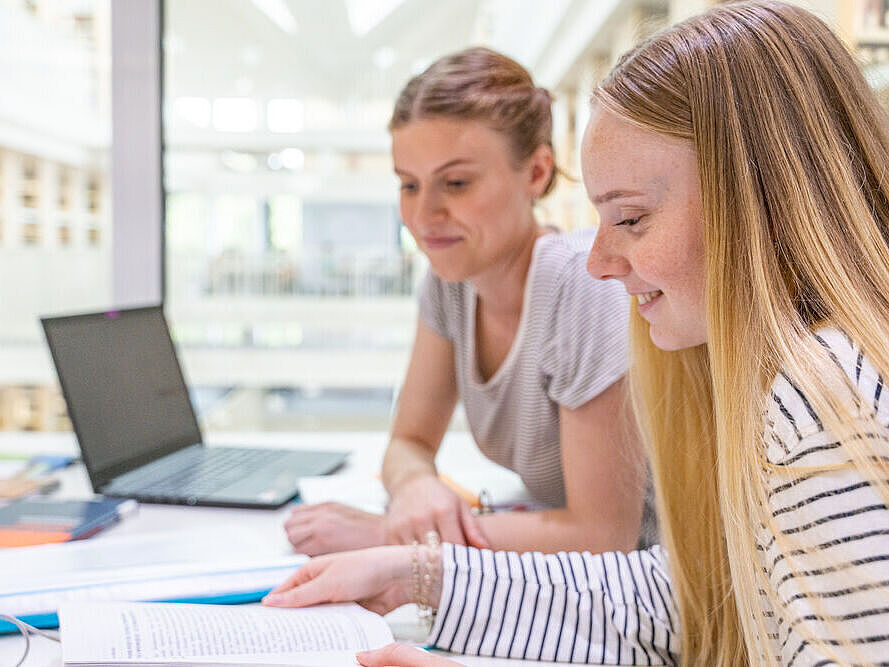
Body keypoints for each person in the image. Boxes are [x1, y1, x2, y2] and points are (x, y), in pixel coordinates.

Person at [264, 2, 889, 664]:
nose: (599, 261)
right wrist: (417, 574)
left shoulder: (822, 397)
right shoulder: (786, 373)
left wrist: (426, 562)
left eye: (630, 219)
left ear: (760, 200)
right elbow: (694, 598)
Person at [284, 47, 651, 557]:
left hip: (660, 587)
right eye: (408, 184)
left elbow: (600, 534)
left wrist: (388, 535)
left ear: (536, 173)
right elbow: (408, 443)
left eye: (455, 183)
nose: (424, 214)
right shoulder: (451, 281)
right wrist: (415, 488)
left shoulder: (583, 287)